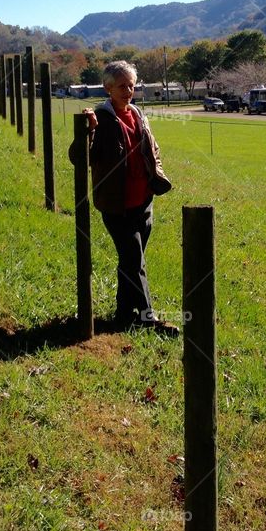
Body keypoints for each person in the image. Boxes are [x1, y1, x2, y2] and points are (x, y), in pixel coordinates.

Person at [69, 61, 178, 337]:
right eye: (122, 86)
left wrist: (157, 178)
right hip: (117, 207)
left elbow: (151, 150)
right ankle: (147, 318)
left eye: (131, 85)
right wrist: (89, 130)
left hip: (143, 201)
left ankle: (122, 314)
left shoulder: (137, 113)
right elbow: (79, 158)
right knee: (134, 260)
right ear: (108, 88)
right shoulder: (101, 119)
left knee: (131, 261)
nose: (128, 91)